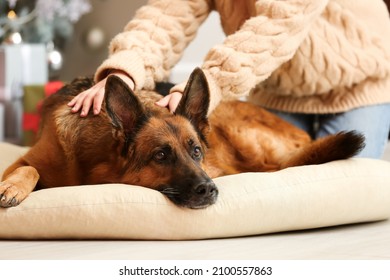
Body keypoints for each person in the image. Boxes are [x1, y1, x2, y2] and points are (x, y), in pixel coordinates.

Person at [68, 0, 390, 158]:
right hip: (275, 91)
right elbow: (165, 17)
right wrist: (126, 69)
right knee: (259, 183)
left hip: (361, 81)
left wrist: (210, 83)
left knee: (340, 186)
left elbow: (276, 28)